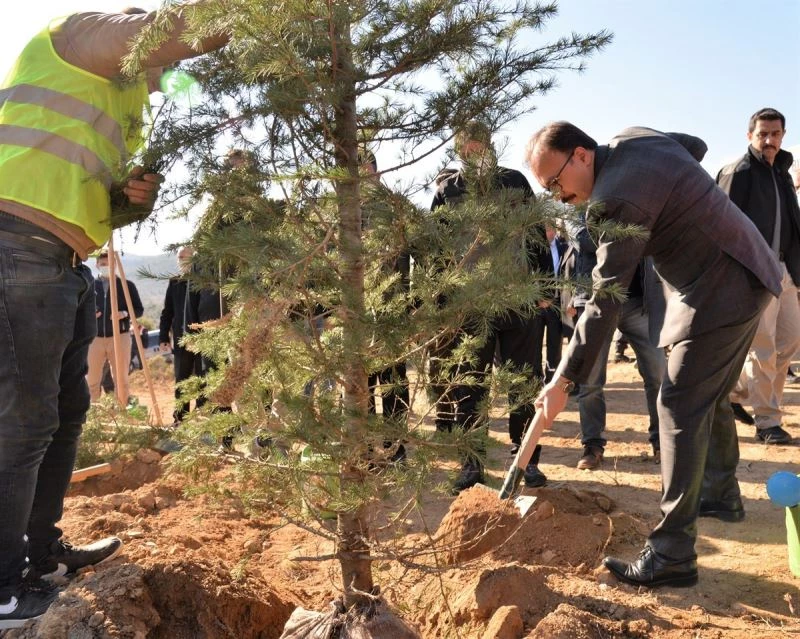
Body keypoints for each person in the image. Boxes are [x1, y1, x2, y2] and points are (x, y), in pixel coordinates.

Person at [0, 6, 227, 628]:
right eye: (162, 71)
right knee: (23, 421)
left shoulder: (128, 101)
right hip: (14, 242)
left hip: (65, 261)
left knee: (64, 410)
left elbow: (98, 204)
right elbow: (171, 31)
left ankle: (39, 552)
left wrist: (127, 201)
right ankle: (2, 589)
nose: (165, 78)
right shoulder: (83, 35)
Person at [525, 122, 780, 588]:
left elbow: (604, 299)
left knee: (678, 402)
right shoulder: (636, 138)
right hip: (744, 270)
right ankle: (720, 495)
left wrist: (563, 382)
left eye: (556, 184)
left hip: (723, 286)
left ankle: (672, 554)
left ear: (581, 155)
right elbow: (694, 147)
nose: (559, 198)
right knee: (707, 394)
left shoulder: (616, 198)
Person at [430, 120, 550, 494]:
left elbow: (535, 235)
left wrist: (543, 286)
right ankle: (473, 463)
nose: (474, 153)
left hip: (518, 301)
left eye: (479, 146)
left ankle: (526, 459)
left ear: (491, 146)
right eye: (467, 148)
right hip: (470, 306)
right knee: (470, 386)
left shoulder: (514, 181)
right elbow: (436, 247)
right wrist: (442, 300)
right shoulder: (448, 190)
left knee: (523, 381)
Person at [716, 108, 800, 445]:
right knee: (763, 348)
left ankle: (736, 392)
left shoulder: (782, 173)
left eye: (775, 134)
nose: (769, 140)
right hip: (754, 273)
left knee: (789, 342)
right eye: (763, 133)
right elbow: (720, 227)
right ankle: (767, 421)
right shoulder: (738, 172)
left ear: (782, 136)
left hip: (786, 273)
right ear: (750, 135)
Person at [561, 214, 666, 470]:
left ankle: (662, 443)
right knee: (590, 381)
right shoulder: (579, 202)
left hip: (639, 303)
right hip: (596, 303)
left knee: (658, 374)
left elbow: (653, 238)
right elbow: (583, 239)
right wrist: (630, 234)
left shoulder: (638, 201)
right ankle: (592, 445)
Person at [86, 249, 144, 405]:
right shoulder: (90, 285)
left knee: (121, 379)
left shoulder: (126, 285)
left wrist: (123, 313)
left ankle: (122, 413)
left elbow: (138, 310)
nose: (106, 266)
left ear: (115, 265)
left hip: (120, 336)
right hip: (94, 338)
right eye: (103, 263)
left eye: (109, 263)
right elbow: (79, 309)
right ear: (97, 264)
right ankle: (94, 417)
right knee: (91, 380)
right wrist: (89, 314)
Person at [159, 246, 206, 424]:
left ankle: (202, 419)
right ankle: (180, 420)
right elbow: (167, 311)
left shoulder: (203, 281)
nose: (182, 260)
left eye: (186, 257)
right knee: (182, 381)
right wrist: (163, 337)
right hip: (180, 339)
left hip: (202, 339)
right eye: (179, 257)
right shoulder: (174, 282)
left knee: (203, 380)